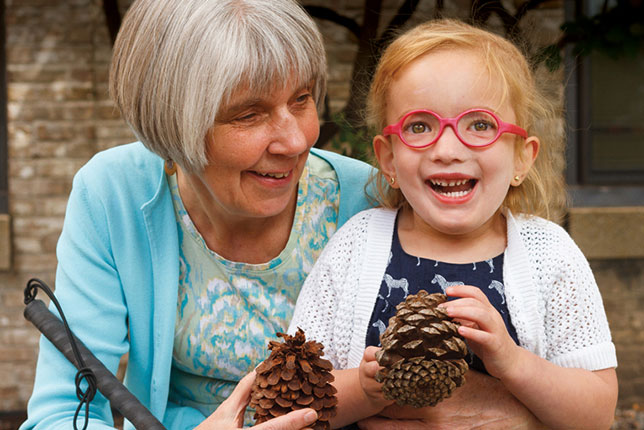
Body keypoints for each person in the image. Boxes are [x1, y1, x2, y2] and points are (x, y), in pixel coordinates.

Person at [20, 0, 375, 429]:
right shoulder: (114, 193)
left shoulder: (371, 198)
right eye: (249, 114)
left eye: (301, 99)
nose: (296, 140)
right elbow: (60, 415)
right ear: (172, 123)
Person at [289, 19, 618, 429]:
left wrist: (515, 364)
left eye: (480, 125)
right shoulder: (355, 245)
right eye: (419, 127)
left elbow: (597, 414)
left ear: (522, 157)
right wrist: (363, 389)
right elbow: (295, 395)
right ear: (388, 159)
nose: (447, 150)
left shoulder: (549, 254)